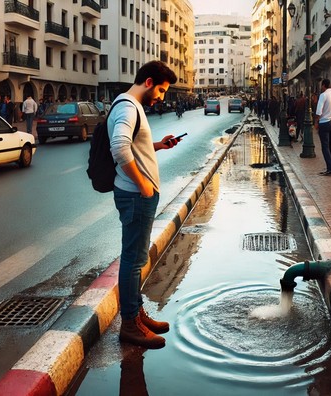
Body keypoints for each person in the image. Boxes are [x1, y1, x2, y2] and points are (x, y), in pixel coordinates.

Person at [109, 60, 179, 349]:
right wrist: (142, 185)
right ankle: (129, 325)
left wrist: (159, 146)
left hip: (139, 196)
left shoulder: (130, 106)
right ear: (148, 82)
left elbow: (133, 147)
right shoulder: (128, 106)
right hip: (137, 196)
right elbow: (119, 147)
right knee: (133, 260)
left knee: (136, 260)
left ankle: (136, 315)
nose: (162, 97)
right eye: (161, 90)